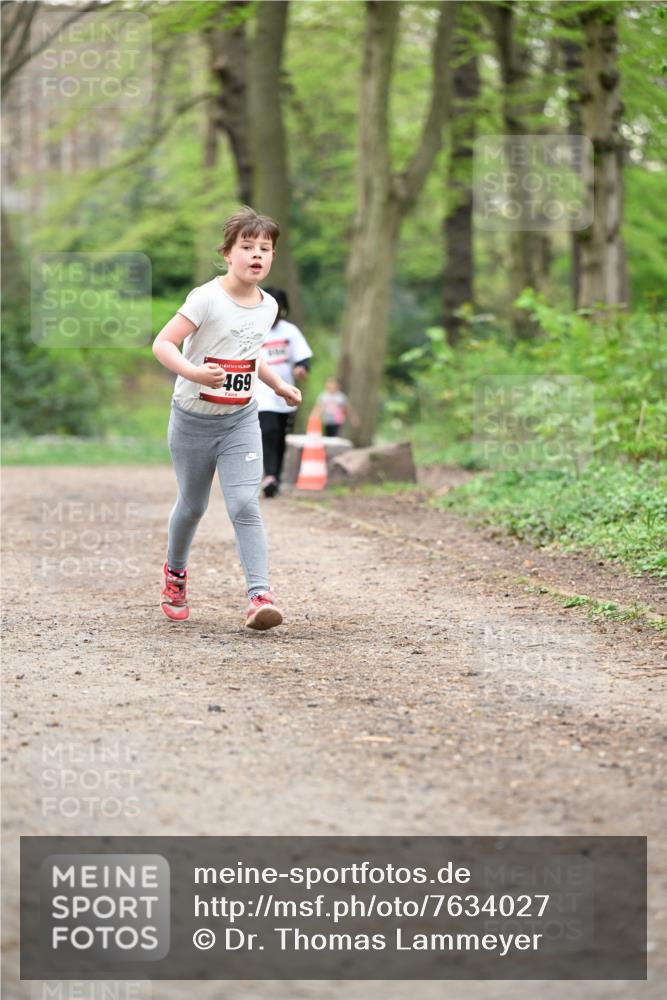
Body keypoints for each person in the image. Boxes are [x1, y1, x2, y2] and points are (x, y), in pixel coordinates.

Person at [151, 206, 301, 629]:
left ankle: (259, 597)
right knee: (194, 505)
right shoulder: (206, 298)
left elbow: (249, 356)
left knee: (243, 504)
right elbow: (163, 344)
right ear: (227, 253)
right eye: (247, 247)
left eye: (265, 248)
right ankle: (175, 575)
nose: (257, 255)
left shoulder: (268, 306)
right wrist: (193, 371)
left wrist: (277, 385)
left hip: (240, 419)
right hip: (193, 419)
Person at [255, 287, 312, 497]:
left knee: (280, 436)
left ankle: (274, 477)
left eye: (280, 310)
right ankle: (268, 474)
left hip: (285, 394)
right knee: (267, 431)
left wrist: (302, 369)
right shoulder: (253, 329)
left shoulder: (290, 331)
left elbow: (303, 358)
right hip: (259, 393)